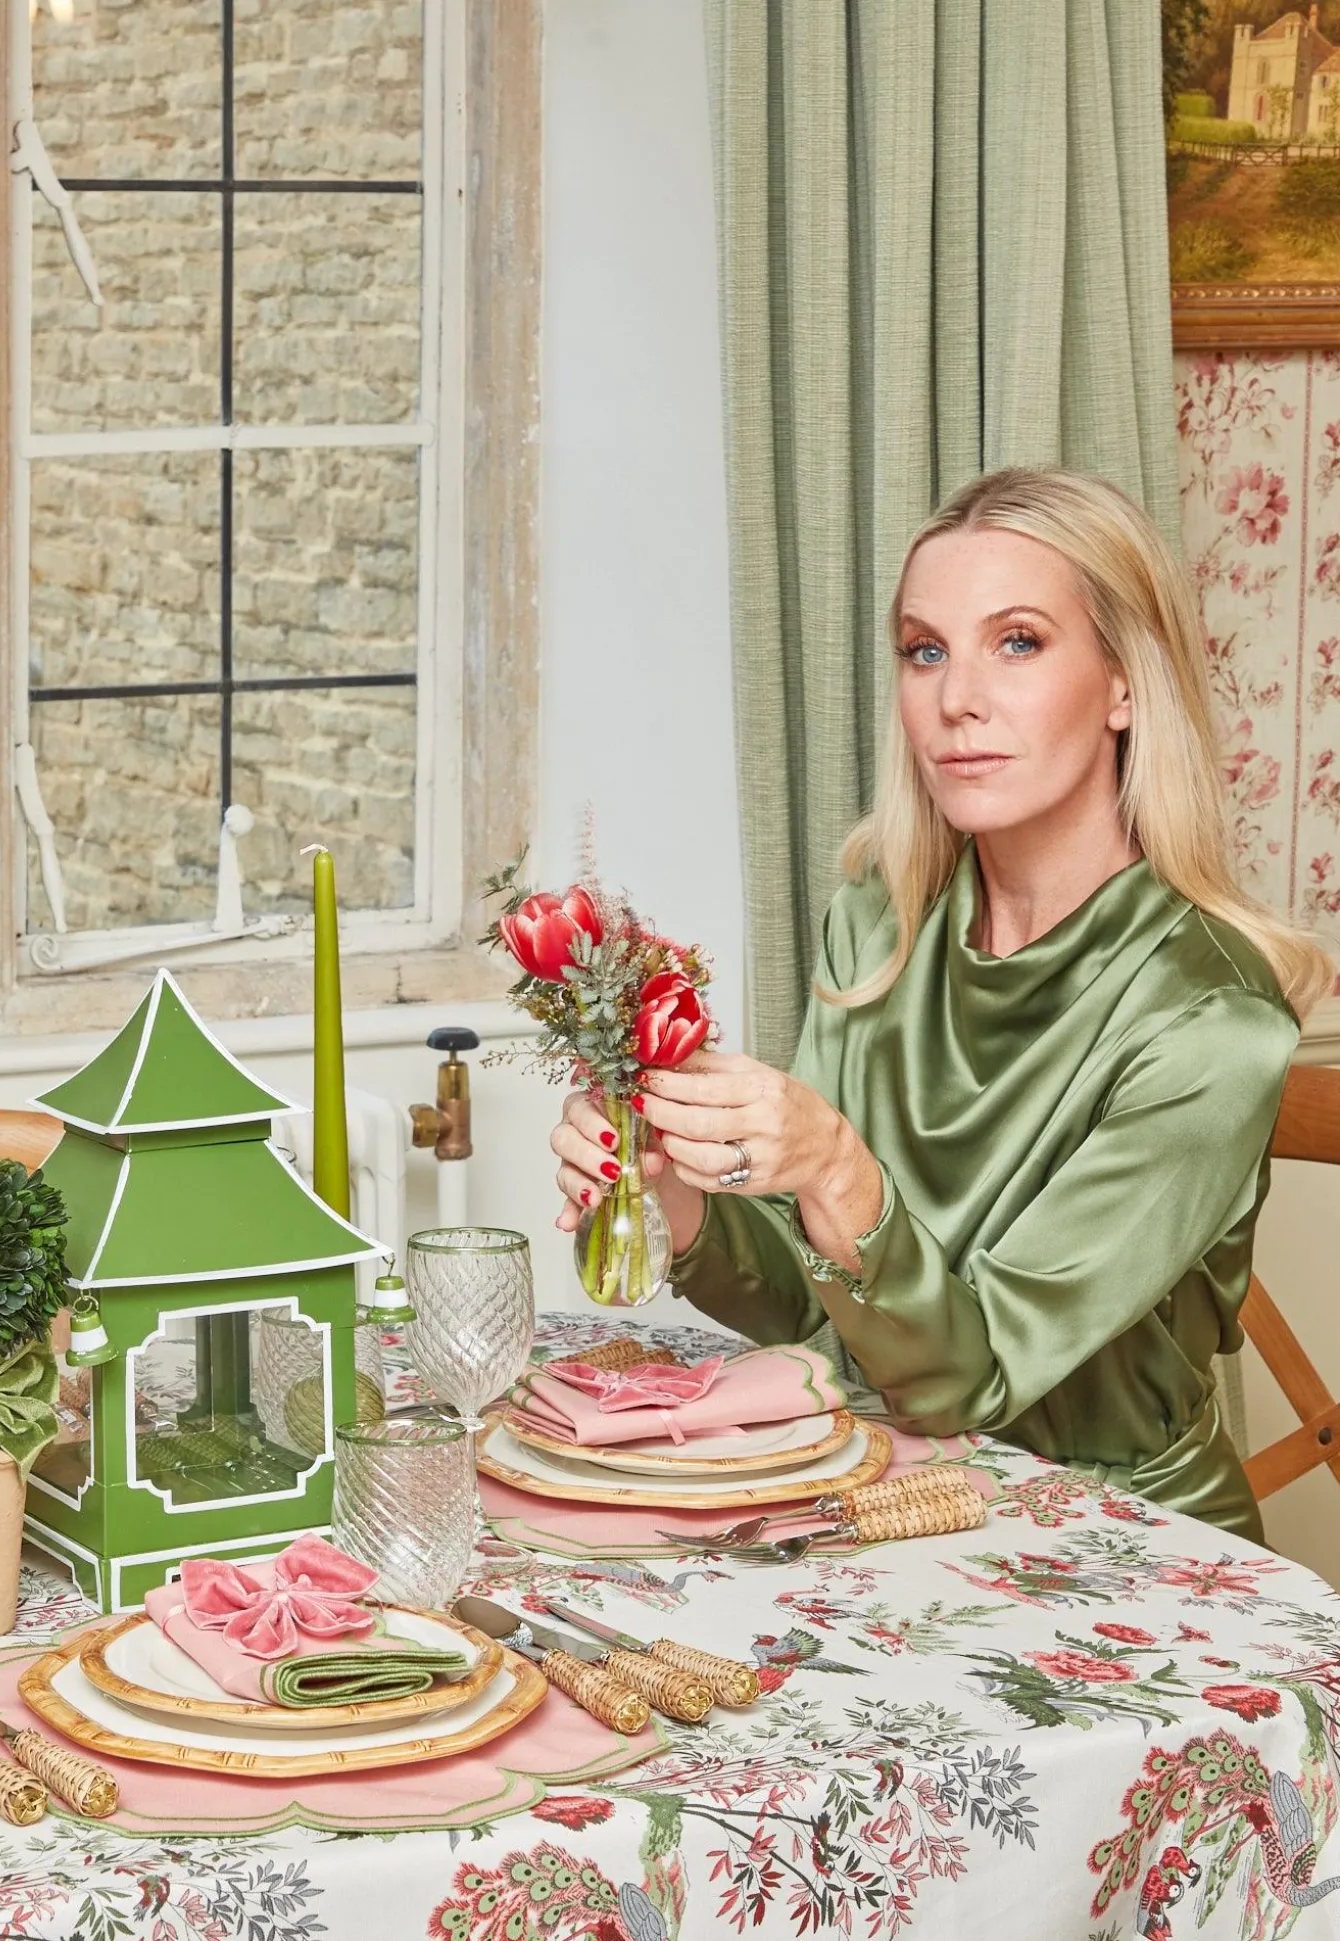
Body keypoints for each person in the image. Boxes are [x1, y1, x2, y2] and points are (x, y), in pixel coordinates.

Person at [551, 467, 1333, 1540]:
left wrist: (833, 1164)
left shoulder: (1208, 1022)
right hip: (884, 1510)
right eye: (925, 650)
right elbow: (812, 1303)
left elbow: (978, 1376)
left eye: (1015, 641)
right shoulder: (878, 929)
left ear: (1122, 684)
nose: (954, 697)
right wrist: (674, 1196)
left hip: (1115, 1551)